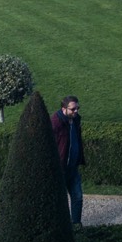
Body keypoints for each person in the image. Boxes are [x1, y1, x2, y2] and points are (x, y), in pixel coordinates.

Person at [51, 96, 86, 227]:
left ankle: (76, 225)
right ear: (64, 109)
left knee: (78, 197)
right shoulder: (55, 123)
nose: (76, 111)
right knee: (60, 200)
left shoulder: (75, 120)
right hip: (60, 169)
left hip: (73, 168)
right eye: (73, 109)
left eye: (77, 108)